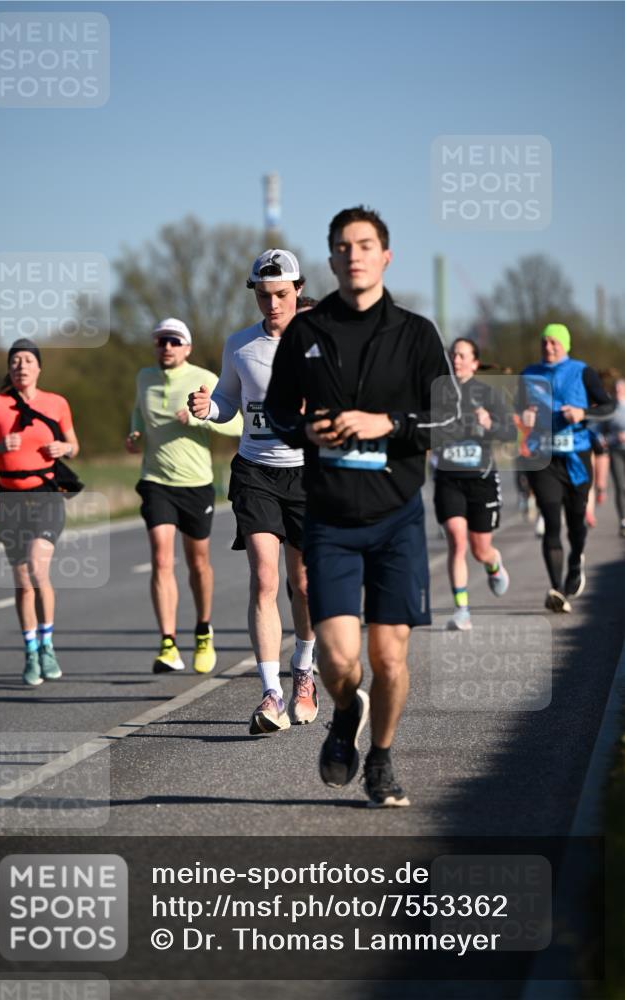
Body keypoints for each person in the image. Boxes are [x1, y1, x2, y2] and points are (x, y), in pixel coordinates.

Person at [265, 206, 460, 807]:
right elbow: (275, 412)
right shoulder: (306, 331)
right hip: (329, 517)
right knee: (339, 660)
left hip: (397, 515)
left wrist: (389, 422)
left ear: (385, 256)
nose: (355, 254)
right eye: (344, 246)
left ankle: (380, 759)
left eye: (366, 244)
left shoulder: (415, 333)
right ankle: (345, 711)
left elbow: (448, 417)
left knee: (389, 655)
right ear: (330, 259)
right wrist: (307, 434)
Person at [188, 250, 317, 734]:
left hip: (307, 476)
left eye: (282, 295)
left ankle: (304, 672)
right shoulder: (240, 345)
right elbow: (228, 400)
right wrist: (209, 407)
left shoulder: (318, 346)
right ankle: (270, 693)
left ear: (298, 290)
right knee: (264, 579)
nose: (273, 305)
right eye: (264, 296)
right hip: (256, 472)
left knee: (303, 585)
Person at [126, 318, 242, 674]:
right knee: (162, 558)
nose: (167, 347)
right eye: (161, 341)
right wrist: (133, 433)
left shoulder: (204, 378)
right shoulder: (144, 378)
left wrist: (198, 419)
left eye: (175, 341)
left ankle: (204, 631)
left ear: (187, 347)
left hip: (196, 483)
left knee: (198, 562)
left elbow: (236, 423)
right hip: (155, 480)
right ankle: (168, 644)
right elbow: (138, 412)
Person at [0, 338, 80, 686]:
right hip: (10, 500)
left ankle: (47, 644)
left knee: (36, 568)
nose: (21, 366)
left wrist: (65, 447)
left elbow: (74, 446)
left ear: (39, 367)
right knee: (21, 582)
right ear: (9, 367)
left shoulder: (57, 403)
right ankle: (31, 651)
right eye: (15, 361)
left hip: (46, 496)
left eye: (28, 360)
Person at [519, 324, 615, 612]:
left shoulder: (582, 371)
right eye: (544, 342)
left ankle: (576, 560)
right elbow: (517, 410)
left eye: (554, 342)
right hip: (544, 459)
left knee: (575, 523)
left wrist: (582, 412)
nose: (548, 347)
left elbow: (608, 407)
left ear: (565, 344)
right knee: (551, 520)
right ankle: (556, 589)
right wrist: (523, 415)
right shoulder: (529, 374)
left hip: (576, 456)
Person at [433, 338, 516, 631]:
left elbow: (509, 433)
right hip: (448, 479)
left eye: (462, 355)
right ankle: (462, 610)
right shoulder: (439, 392)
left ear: (475, 362)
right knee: (457, 540)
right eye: (453, 354)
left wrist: (490, 424)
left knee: (480, 549)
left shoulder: (488, 394)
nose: (456, 360)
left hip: (481, 480)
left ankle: (493, 564)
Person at [605, 377, 625, 537]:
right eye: (616, 389)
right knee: (620, 486)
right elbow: (600, 432)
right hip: (616, 451)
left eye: (621, 389)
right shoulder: (610, 408)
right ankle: (623, 519)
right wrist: (614, 438)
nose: (618, 392)